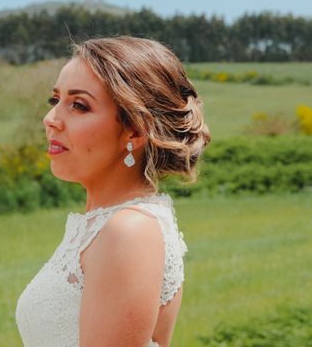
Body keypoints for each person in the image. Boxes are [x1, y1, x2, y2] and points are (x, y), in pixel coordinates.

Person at [15, 36, 210, 346]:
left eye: (78, 105)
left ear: (134, 130)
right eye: (55, 101)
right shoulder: (106, 225)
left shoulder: (129, 231)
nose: (51, 120)